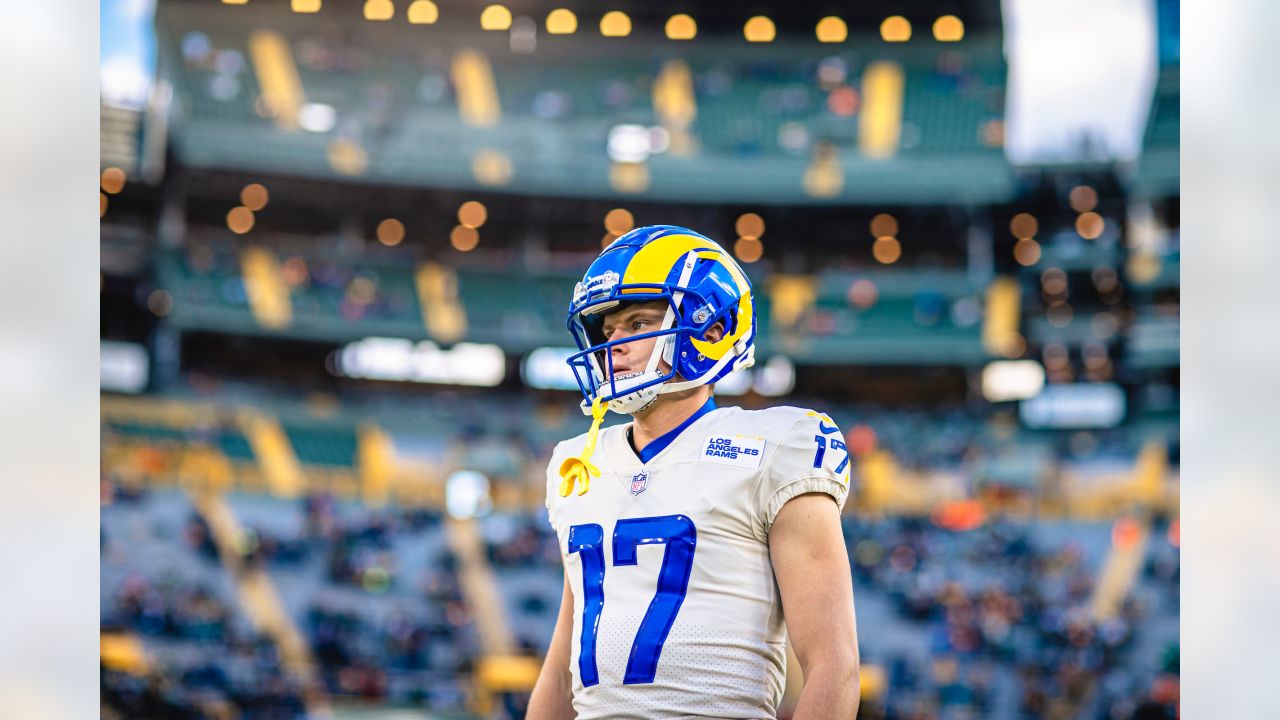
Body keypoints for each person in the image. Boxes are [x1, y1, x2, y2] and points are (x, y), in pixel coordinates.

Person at [528, 225, 859, 719]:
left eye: (639, 323)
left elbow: (834, 666)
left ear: (710, 330)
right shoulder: (579, 462)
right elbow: (562, 666)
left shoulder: (777, 447)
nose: (613, 345)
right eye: (609, 330)